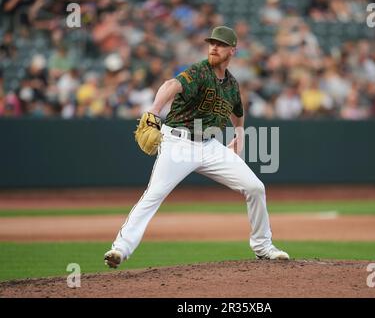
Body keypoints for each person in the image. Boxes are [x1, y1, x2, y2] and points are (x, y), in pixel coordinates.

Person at [104, 26, 289, 268]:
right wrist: (153, 110)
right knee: (155, 194)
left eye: (220, 44)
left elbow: (237, 109)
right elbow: (171, 85)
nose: (214, 47)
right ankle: (120, 249)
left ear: (233, 50)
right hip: (178, 143)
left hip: (210, 146)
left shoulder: (232, 84)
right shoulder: (200, 71)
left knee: (255, 187)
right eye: (212, 42)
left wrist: (240, 133)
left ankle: (263, 246)